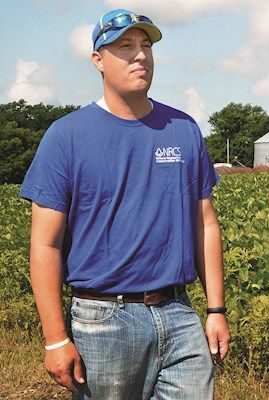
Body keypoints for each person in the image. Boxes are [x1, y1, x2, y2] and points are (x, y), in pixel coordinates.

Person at [20, 9, 230, 399]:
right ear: (98, 60)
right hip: (103, 321)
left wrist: (216, 309)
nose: (140, 56)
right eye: (125, 47)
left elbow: (205, 223)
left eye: (146, 46)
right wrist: (54, 338)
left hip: (179, 313)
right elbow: (45, 244)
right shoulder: (66, 136)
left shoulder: (183, 129)